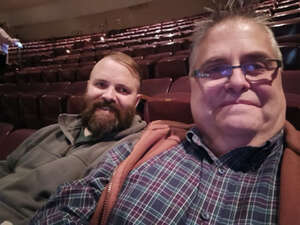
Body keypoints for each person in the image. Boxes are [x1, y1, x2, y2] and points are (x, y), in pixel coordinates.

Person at [29, 1, 300, 224]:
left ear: (280, 76)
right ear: (192, 85)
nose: (239, 82)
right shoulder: (141, 148)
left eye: (257, 66)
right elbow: (66, 208)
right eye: (216, 68)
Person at [0, 52, 147, 225]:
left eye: (122, 90)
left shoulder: (131, 150)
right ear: (88, 87)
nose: (108, 96)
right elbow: (7, 166)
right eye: (101, 84)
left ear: (136, 101)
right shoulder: (52, 129)